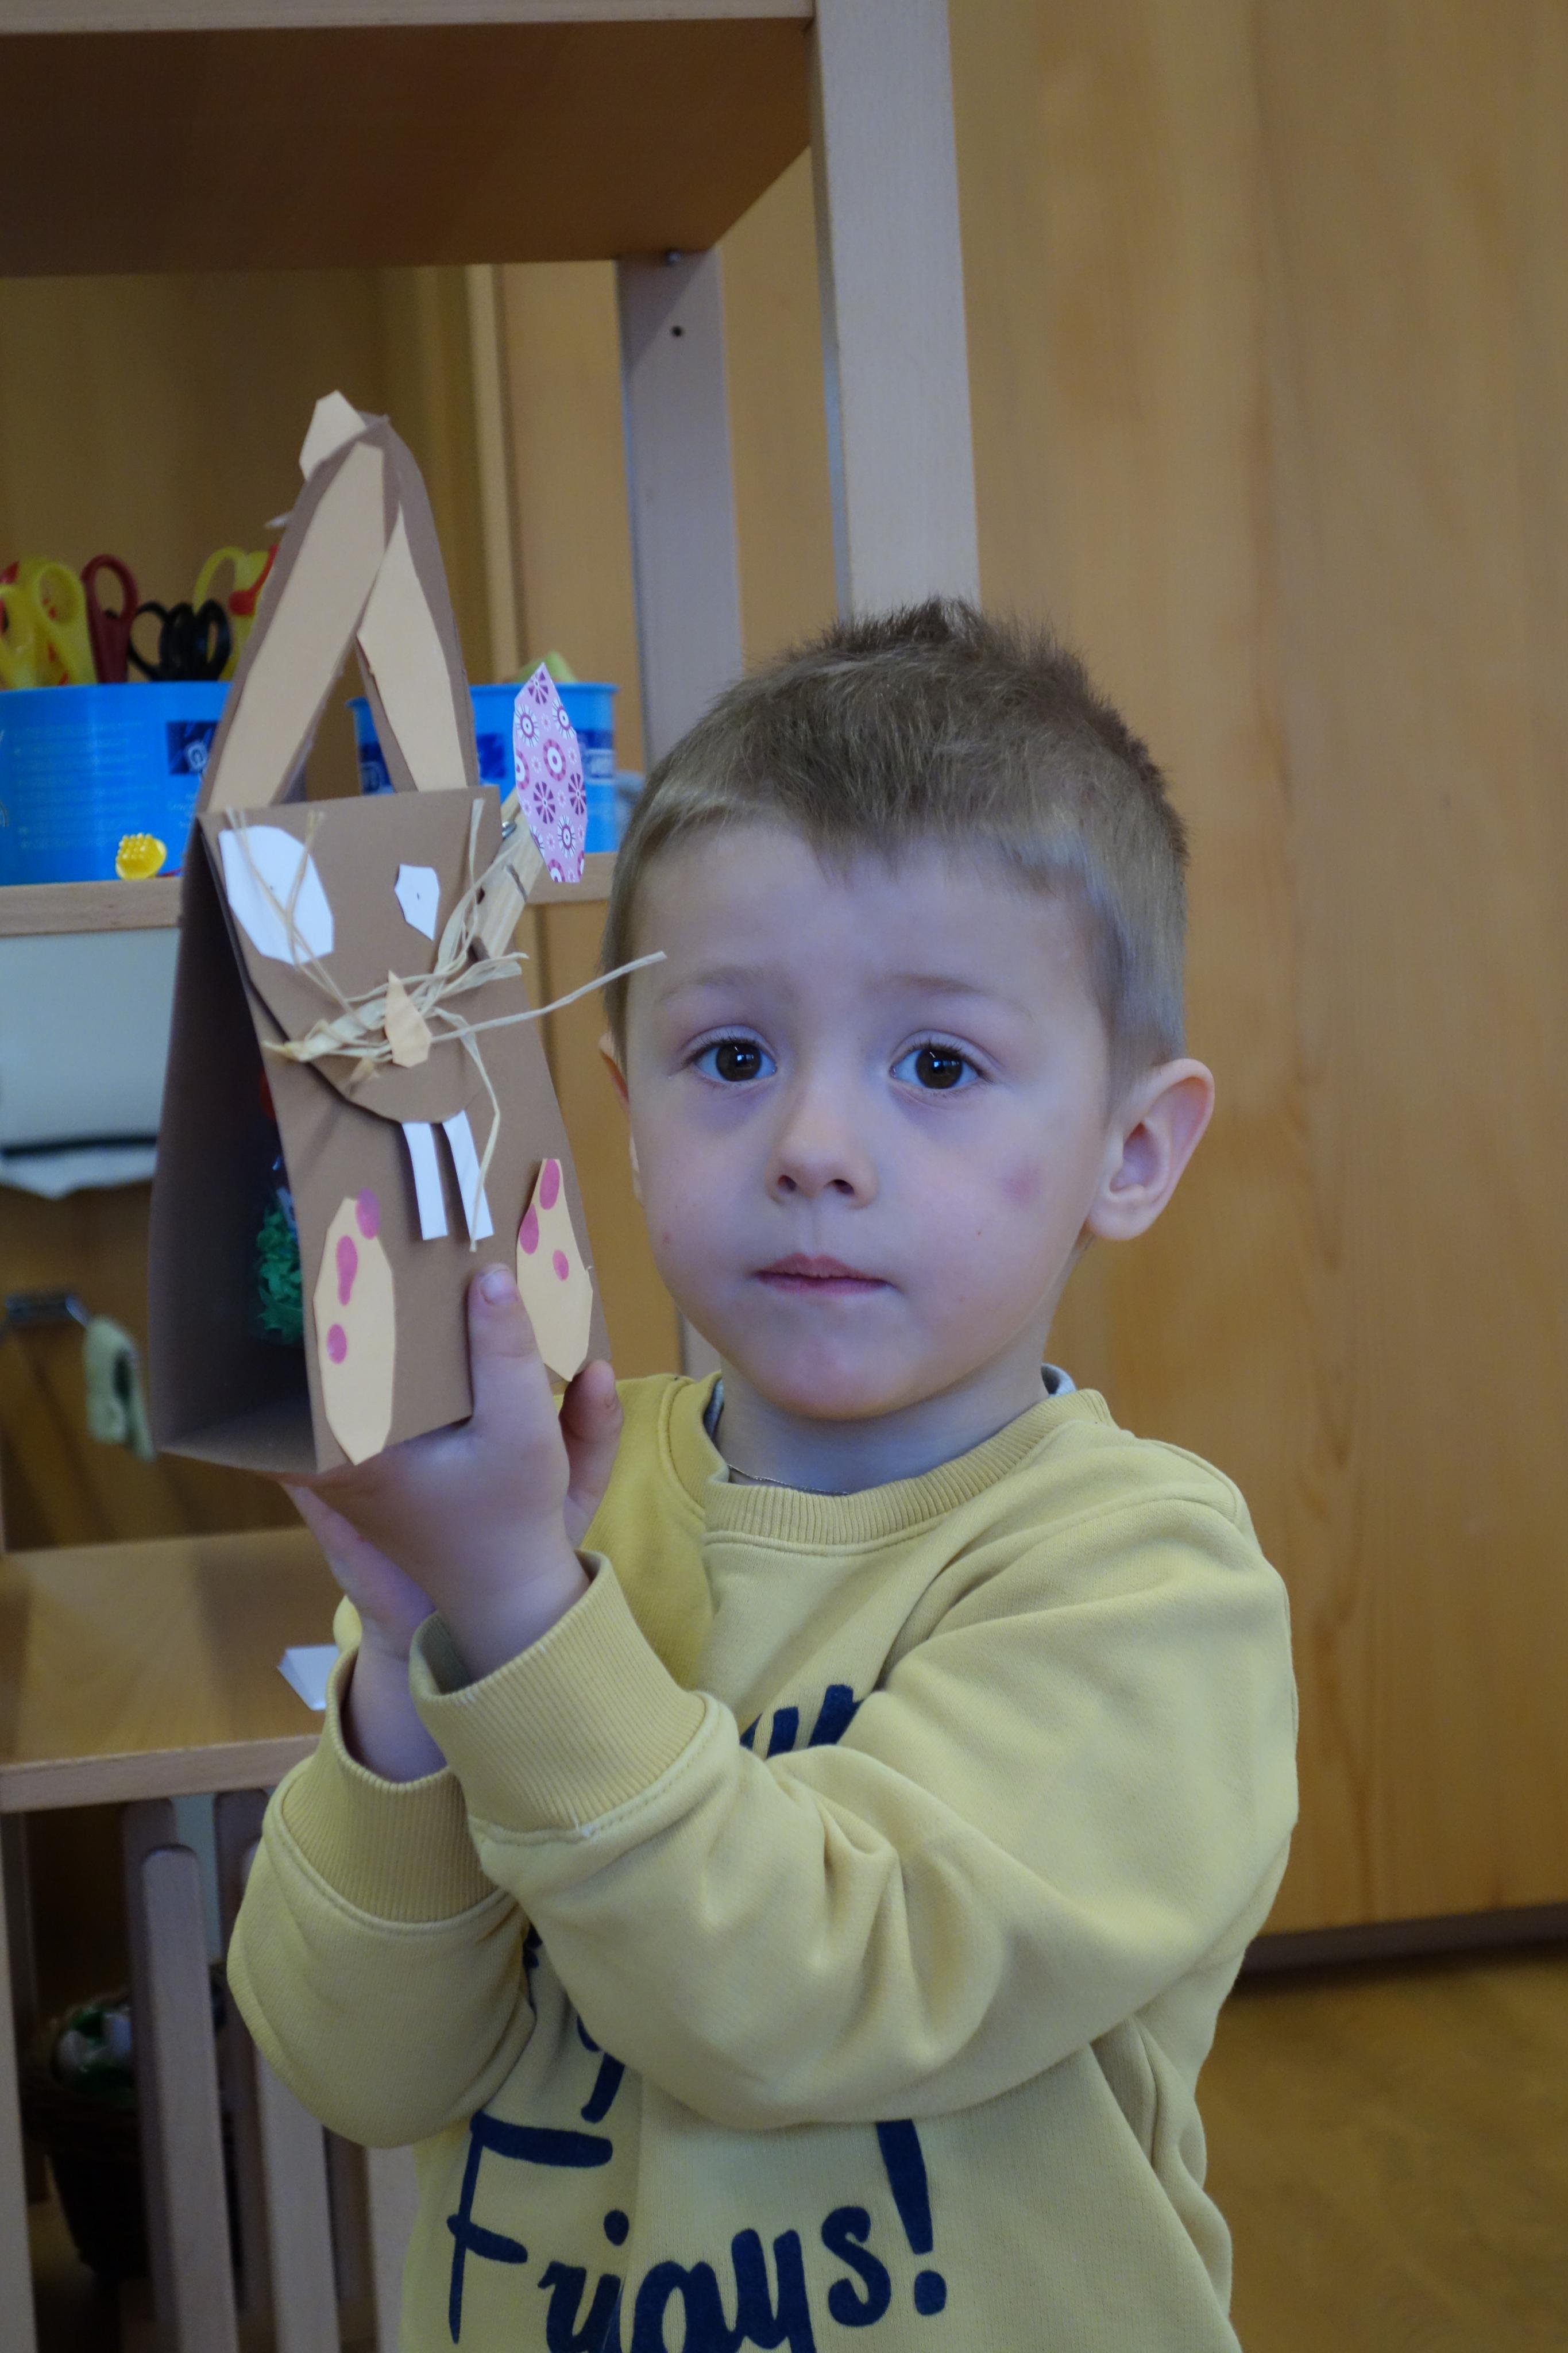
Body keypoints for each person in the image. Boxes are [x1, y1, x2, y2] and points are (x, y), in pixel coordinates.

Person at [230, 600, 1297, 2352]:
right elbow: (357, 2064)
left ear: (1129, 1149)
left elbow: (808, 2001)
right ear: (627, 1109)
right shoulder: (544, 1505)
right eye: (729, 1058)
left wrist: (519, 1617)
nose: (811, 1148)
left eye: (937, 1065)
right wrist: (416, 1655)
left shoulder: (1149, 1586)